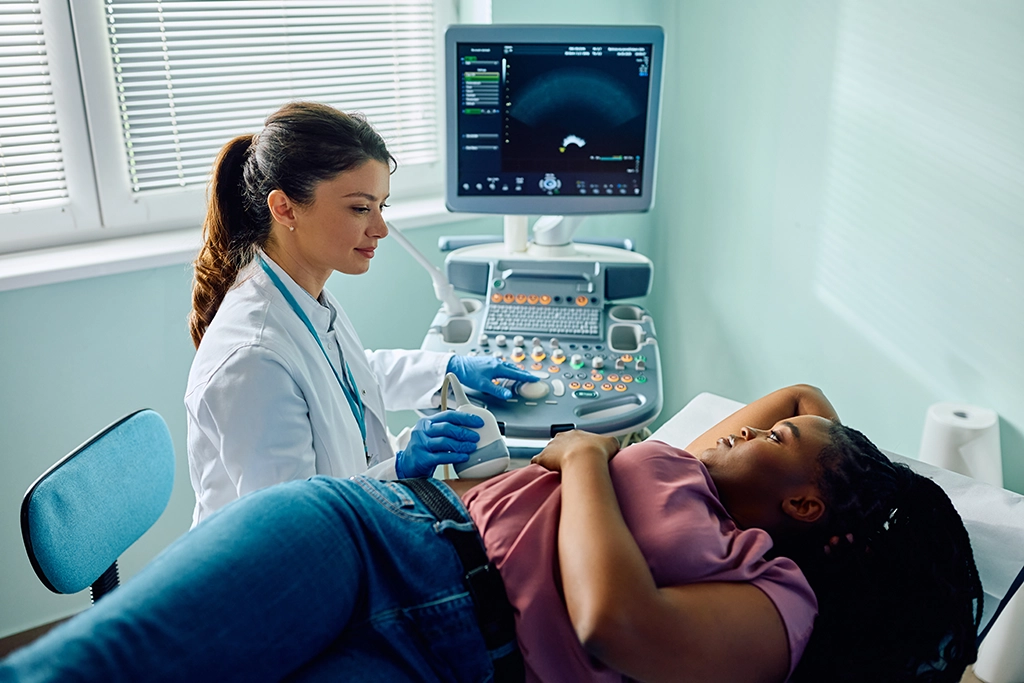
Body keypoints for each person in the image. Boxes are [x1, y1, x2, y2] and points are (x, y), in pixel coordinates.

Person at [0, 385, 983, 682]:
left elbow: (613, 623)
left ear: (807, 507)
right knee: (92, 670)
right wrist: (841, 463)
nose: (749, 427)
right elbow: (805, 397)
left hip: (448, 658)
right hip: (372, 533)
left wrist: (587, 455)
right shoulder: (696, 474)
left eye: (772, 440)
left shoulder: (778, 599)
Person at [185, 101, 537, 525]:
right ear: (285, 208)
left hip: (354, 525)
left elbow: (347, 381)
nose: (380, 229)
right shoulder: (251, 358)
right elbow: (296, 524)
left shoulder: (302, 294)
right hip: (295, 557)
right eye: (359, 208)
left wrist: (447, 369)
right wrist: (400, 467)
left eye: (381, 207)